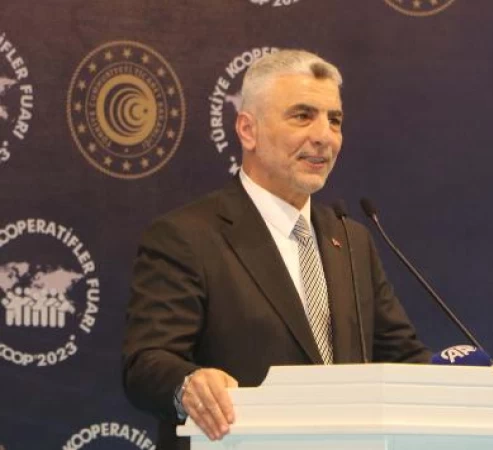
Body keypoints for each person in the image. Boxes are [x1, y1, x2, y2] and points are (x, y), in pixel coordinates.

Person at [121, 49, 431, 450]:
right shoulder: (186, 236)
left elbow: (404, 360)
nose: (324, 136)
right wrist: (189, 384)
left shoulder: (351, 239)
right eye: (302, 116)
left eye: (334, 120)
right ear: (248, 130)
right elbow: (146, 363)